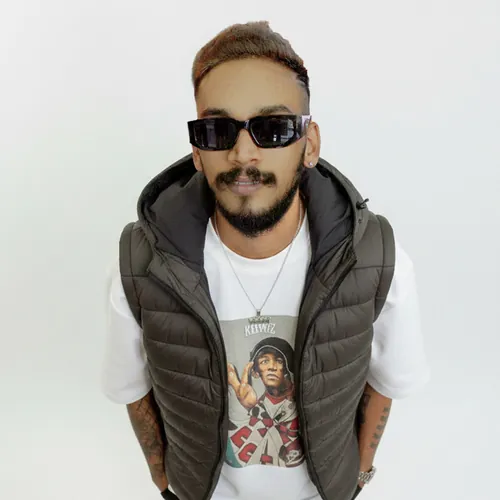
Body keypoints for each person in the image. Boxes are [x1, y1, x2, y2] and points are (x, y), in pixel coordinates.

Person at [101, 21, 430, 500]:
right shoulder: (139, 265)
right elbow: (133, 389)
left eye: (272, 129)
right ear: (197, 151)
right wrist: (166, 484)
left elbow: (387, 382)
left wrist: (355, 480)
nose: (242, 154)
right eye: (218, 130)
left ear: (309, 144)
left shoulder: (376, 259)